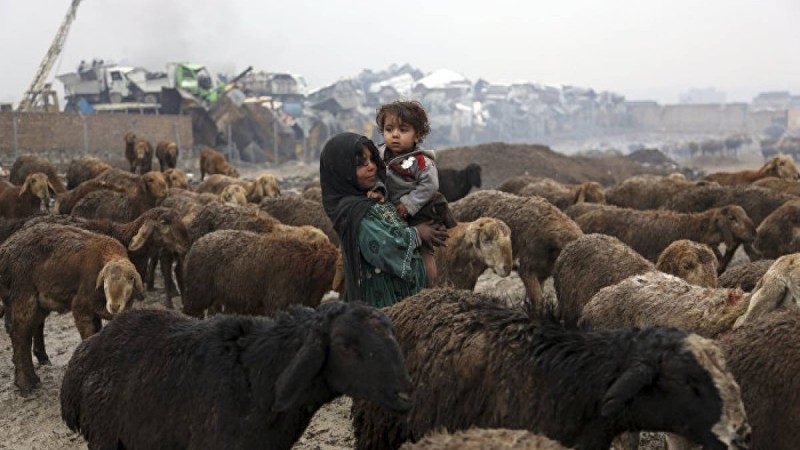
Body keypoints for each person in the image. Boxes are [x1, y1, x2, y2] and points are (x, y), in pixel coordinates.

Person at [320, 132, 448, 307]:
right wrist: (418, 234)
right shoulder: (355, 213)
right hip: (385, 304)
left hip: (405, 300)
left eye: (372, 159)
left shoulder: (373, 198)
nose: (372, 167)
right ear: (341, 171)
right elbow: (383, 248)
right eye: (361, 164)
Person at [376, 100, 455, 285]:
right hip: (391, 207)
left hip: (418, 209)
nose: (395, 135)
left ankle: (431, 284)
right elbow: (377, 176)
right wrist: (376, 191)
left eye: (403, 130)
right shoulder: (379, 155)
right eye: (389, 129)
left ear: (417, 136)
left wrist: (409, 204)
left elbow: (430, 185)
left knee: (424, 249)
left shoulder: (421, 162)